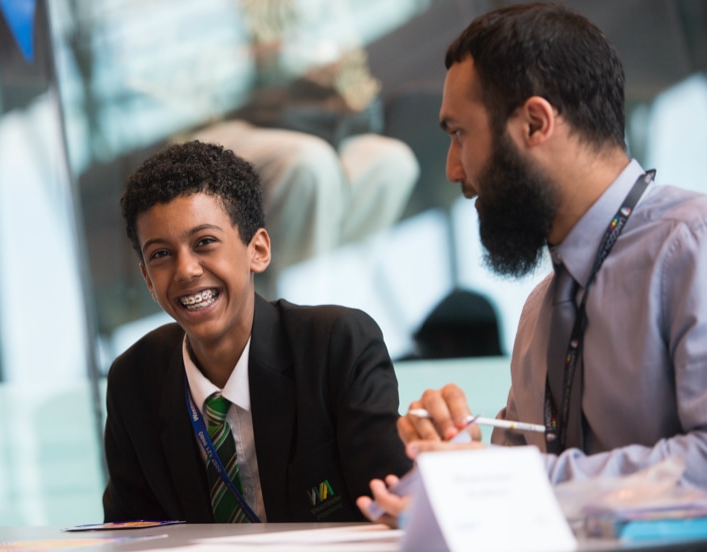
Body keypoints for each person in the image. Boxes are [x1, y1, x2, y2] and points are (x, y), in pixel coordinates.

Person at [357, 1, 707, 522]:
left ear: (535, 123)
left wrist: (518, 480)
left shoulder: (692, 249)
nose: (455, 170)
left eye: (459, 134)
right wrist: (450, 469)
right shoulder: (542, 306)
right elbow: (522, 479)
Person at [103, 140, 411, 523]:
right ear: (148, 279)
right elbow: (130, 532)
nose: (185, 270)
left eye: (204, 243)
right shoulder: (134, 382)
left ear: (258, 250)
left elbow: (394, 502)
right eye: (161, 254)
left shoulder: (336, 345)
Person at [192, 0, 419, 297]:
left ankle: (341, 303)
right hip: (220, 121)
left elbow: (354, 75)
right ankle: (296, 311)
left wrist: (335, 80)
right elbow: (198, 68)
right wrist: (274, 57)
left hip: (308, 124)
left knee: (391, 163)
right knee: (308, 164)